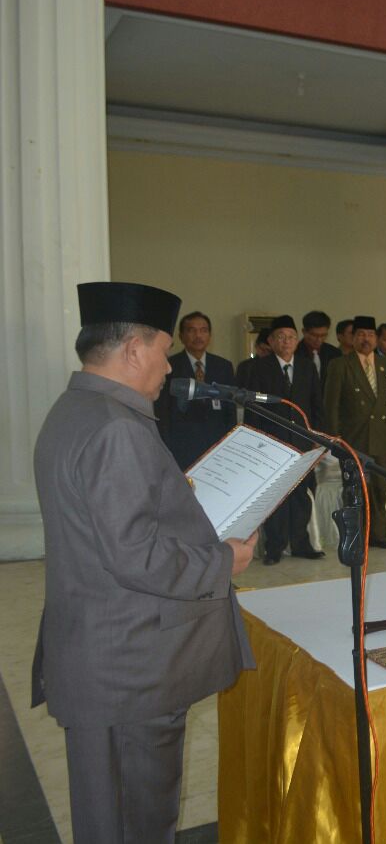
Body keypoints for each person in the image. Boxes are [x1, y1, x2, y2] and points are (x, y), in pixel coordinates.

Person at [33, 281, 255, 842]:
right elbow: (135, 554)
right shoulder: (117, 428)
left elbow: (108, 525)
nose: (166, 365)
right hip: (132, 667)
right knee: (140, 819)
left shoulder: (73, 410)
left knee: (107, 817)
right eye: (161, 350)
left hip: (98, 651)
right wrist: (223, 560)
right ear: (133, 349)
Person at [237, 314, 326, 563]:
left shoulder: (307, 367)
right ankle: (274, 547)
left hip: (302, 442)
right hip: (271, 443)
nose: (286, 342)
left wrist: (318, 435)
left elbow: (316, 403)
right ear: (272, 341)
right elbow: (252, 408)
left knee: (300, 494)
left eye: (290, 337)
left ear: (297, 341)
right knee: (274, 496)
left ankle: (301, 543)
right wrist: (254, 440)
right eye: (280, 337)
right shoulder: (258, 368)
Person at [324, 315, 386, 549]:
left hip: (382, 438)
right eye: (360, 334)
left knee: (381, 487)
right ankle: (357, 536)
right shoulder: (340, 365)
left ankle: (378, 534)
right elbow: (331, 406)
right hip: (353, 439)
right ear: (352, 338)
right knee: (357, 489)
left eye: (370, 335)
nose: (365, 339)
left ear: (376, 338)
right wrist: (334, 439)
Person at [156, 311, 237, 470]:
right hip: (182, 448)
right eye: (191, 330)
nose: (198, 335)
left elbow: (230, 410)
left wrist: (230, 444)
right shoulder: (169, 366)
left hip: (217, 447)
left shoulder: (223, 366)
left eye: (203, 330)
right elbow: (162, 412)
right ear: (180, 336)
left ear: (210, 335)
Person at [299, 310, 342, 384]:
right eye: (314, 335)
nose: (319, 339)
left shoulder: (335, 353)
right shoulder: (294, 353)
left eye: (323, 335)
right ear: (304, 332)